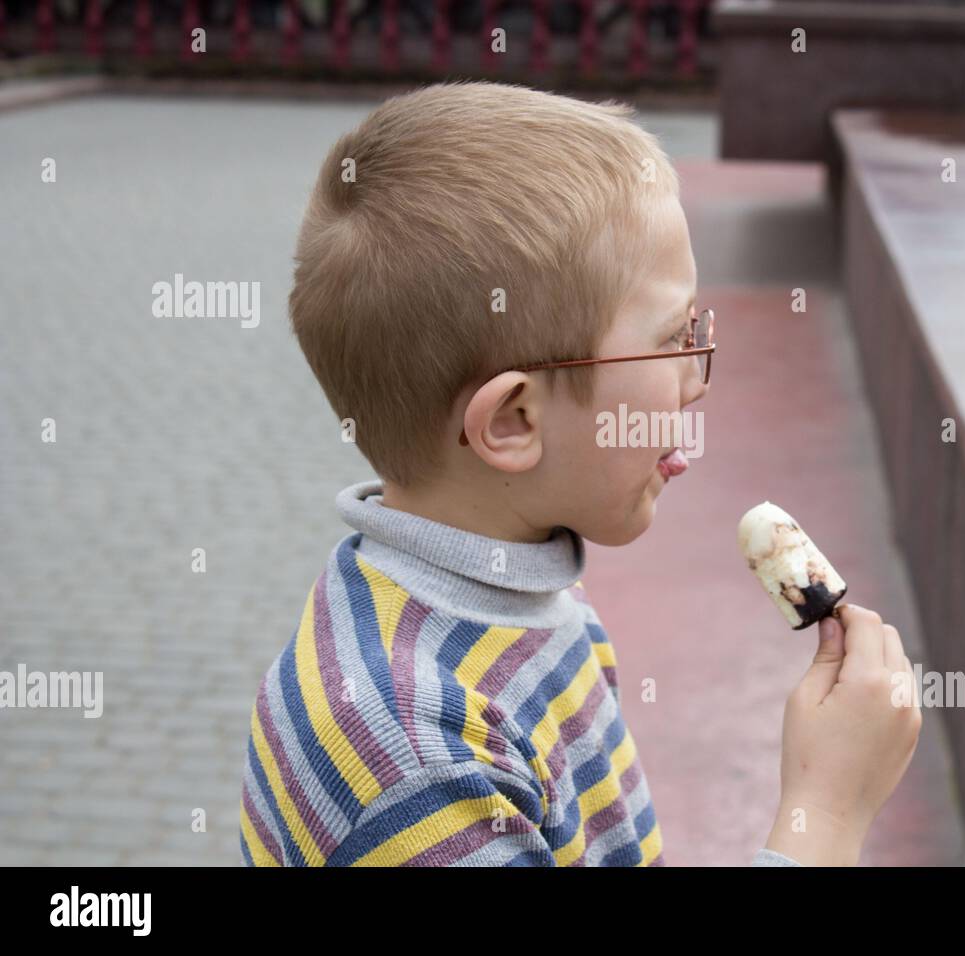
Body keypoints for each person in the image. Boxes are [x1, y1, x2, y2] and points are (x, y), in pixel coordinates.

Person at [237, 80, 920, 866]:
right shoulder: (408, 751)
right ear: (515, 422)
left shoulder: (528, 599)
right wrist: (826, 813)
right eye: (672, 338)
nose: (698, 376)